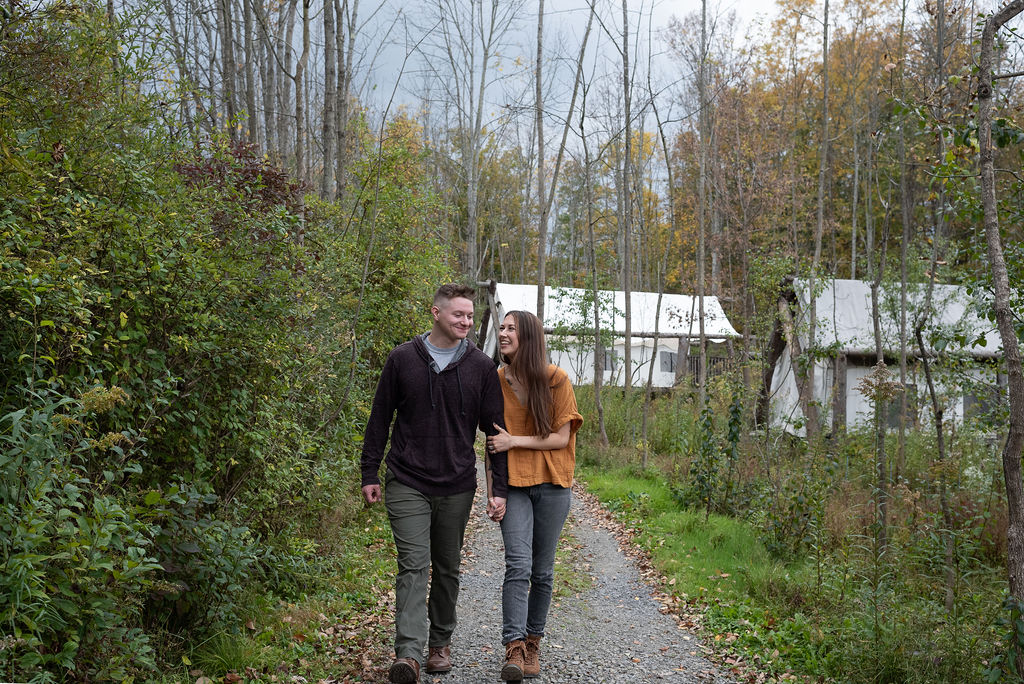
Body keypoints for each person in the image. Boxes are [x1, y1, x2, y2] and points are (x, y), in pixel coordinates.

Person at [361, 283, 508, 684]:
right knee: (413, 565)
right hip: (407, 479)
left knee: (447, 568)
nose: (466, 321)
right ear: (436, 313)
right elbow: (380, 419)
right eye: (459, 314)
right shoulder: (402, 360)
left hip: (458, 484)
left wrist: (501, 489)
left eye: (469, 315)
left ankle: (439, 643)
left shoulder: (481, 368)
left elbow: (495, 433)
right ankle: (408, 653)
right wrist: (369, 472)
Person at [486, 310, 583, 681]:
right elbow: (492, 442)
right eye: (503, 327)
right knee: (518, 566)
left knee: (542, 571)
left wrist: (515, 441)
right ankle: (513, 648)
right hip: (514, 486)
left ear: (528, 337)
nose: (503, 332)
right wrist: (495, 491)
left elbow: (561, 438)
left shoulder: (555, 379)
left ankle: (532, 643)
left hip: (554, 484)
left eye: (511, 328)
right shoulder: (496, 381)